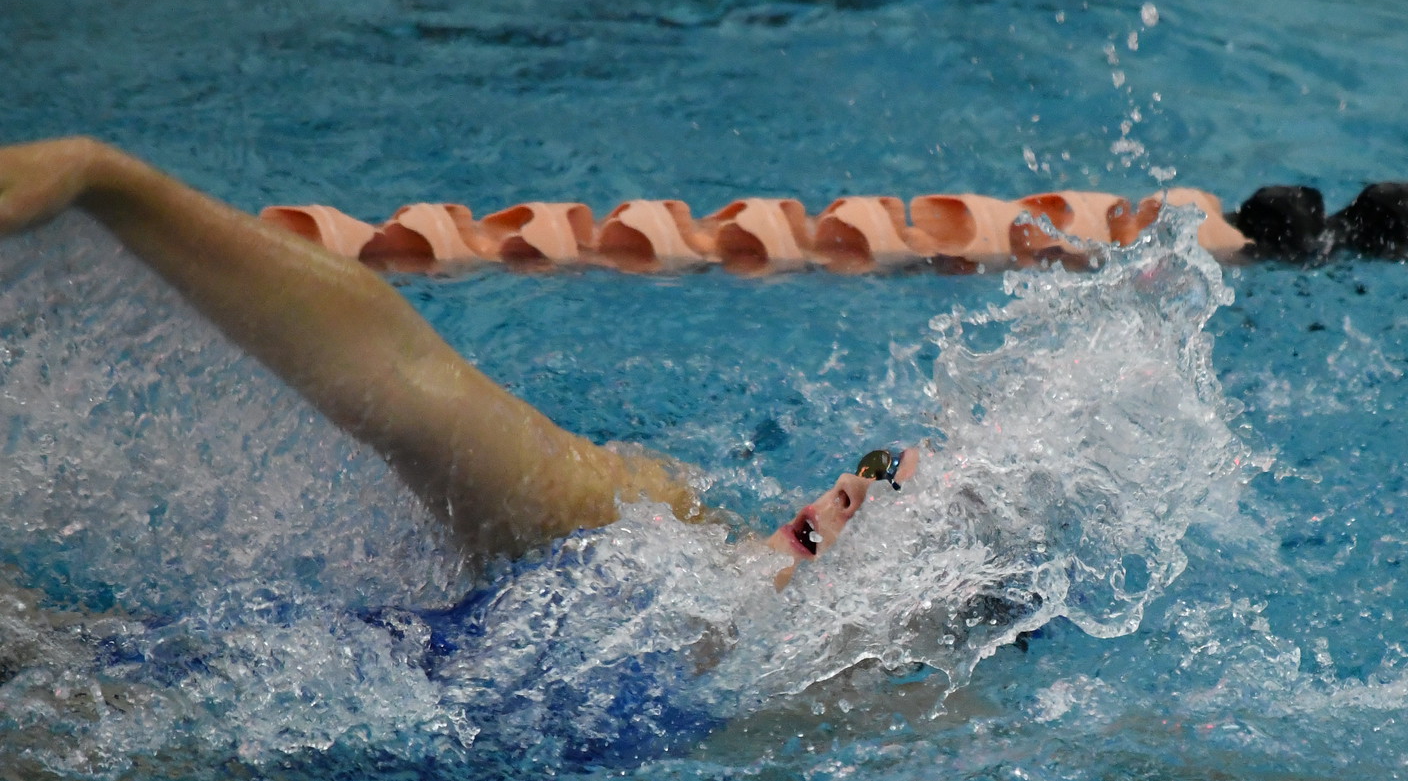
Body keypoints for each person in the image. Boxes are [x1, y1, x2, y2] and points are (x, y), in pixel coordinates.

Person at [0, 135, 907, 584]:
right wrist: (107, 182)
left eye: (889, 502)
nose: (848, 487)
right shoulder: (636, 534)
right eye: (872, 468)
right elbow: (406, 384)